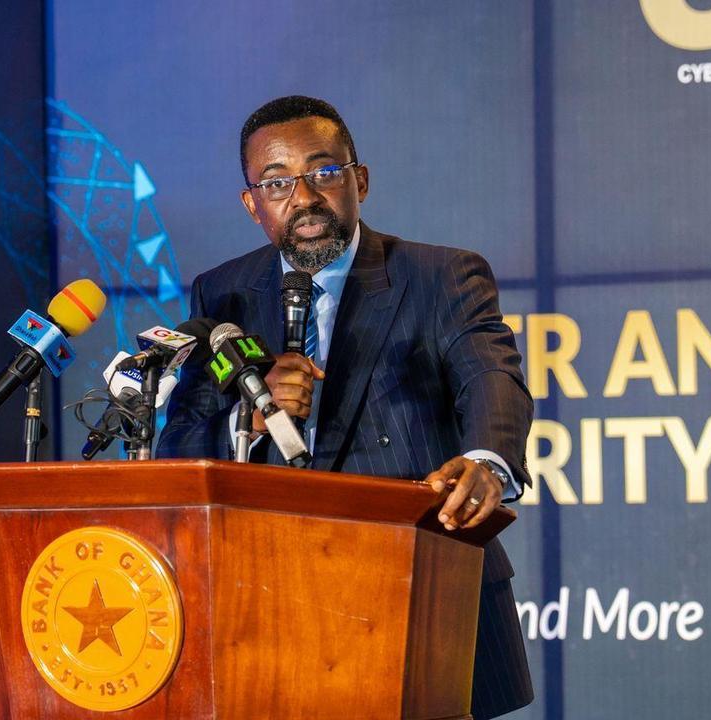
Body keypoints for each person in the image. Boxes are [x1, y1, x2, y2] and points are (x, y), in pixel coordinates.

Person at [157, 95, 534, 718]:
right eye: (277, 182)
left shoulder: (440, 275)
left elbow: (491, 375)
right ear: (252, 204)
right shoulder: (222, 294)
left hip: (419, 591)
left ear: (359, 181)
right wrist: (251, 418)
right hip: (270, 602)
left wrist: (487, 461)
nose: (303, 197)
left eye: (323, 172)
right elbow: (180, 443)